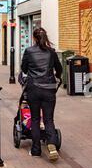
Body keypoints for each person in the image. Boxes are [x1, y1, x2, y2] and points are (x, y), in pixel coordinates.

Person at [21, 27, 63, 161]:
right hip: (49, 89)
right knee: (49, 119)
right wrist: (56, 76)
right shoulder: (51, 52)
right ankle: (51, 144)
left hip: (34, 89)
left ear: (34, 38)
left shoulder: (29, 51)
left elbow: (24, 69)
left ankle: (36, 150)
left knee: (35, 119)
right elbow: (59, 69)